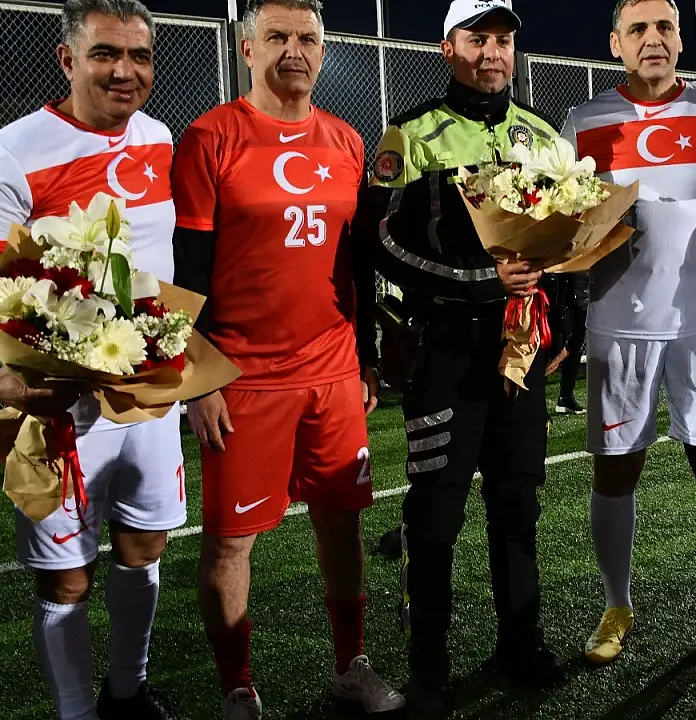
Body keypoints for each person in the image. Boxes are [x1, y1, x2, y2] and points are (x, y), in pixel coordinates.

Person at [0, 2, 180, 718]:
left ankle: (128, 695)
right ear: (68, 59)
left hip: (150, 392)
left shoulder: (159, 137)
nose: (125, 71)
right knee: (66, 578)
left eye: (139, 56)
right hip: (62, 407)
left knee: (146, 544)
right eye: (106, 54)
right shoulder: (12, 152)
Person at [168, 1, 404, 717]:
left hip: (332, 371)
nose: (294, 51)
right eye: (277, 37)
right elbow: (187, 270)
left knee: (341, 522)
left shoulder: (347, 140)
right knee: (230, 541)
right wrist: (197, 378)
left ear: (323, 52)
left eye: (307, 39)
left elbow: (356, 265)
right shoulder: (211, 137)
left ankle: (351, 667)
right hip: (243, 378)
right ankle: (238, 688)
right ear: (248, 49)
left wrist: (364, 358)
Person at [353, 0, 567, 715]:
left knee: (518, 503)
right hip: (445, 350)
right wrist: (480, 280)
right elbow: (379, 242)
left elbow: (566, 240)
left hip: (521, 349)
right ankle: (429, 670)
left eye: (503, 40)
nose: (493, 52)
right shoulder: (410, 134)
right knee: (435, 516)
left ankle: (521, 643)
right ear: (448, 48)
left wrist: (564, 324)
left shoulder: (541, 132)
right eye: (478, 38)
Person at [563, 0, 696, 665]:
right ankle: (616, 605)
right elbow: (567, 219)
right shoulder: (585, 120)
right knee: (616, 469)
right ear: (615, 43)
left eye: (665, 27)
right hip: (618, 323)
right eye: (639, 29)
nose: (653, 39)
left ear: (680, 39)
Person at [552, 272, 588, 414]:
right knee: (563, 343)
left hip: (579, 292)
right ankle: (564, 397)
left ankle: (566, 397)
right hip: (568, 292)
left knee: (575, 343)